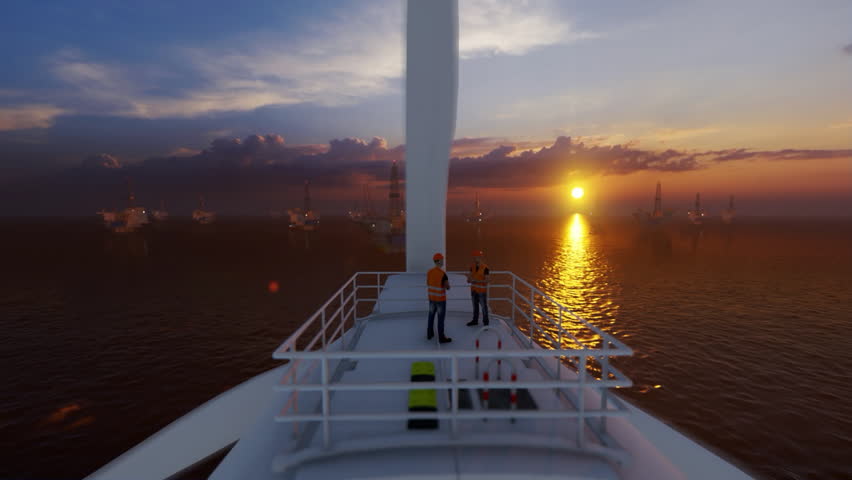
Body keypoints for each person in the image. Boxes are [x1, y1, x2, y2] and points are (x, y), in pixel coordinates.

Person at [426, 253, 452, 343]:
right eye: (442, 259)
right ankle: (441, 337)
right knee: (440, 319)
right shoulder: (443, 274)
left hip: (432, 299)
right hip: (440, 300)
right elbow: (447, 287)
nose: (443, 261)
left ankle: (429, 334)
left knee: (431, 316)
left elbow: (428, 283)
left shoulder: (429, 272)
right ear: (439, 261)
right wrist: (448, 286)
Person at [466, 249, 490, 326]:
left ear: (480, 257)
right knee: (475, 307)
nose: (476, 258)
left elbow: (487, 280)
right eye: (475, 257)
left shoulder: (485, 268)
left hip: (481, 291)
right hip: (474, 290)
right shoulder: (472, 267)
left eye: (477, 257)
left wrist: (477, 281)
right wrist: (469, 280)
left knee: (484, 308)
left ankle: (486, 323)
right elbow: (469, 278)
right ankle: (475, 321)